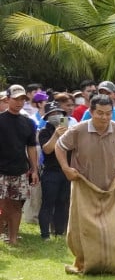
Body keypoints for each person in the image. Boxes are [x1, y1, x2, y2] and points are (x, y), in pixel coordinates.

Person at [55, 94, 115, 275]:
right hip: (84, 185)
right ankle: (83, 264)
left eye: (108, 113)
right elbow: (60, 146)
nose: (104, 117)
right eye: (100, 113)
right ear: (91, 112)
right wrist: (66, 168)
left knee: (114, 228)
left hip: (111, 186)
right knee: (83, 229)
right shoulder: (78, 130)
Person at [0, 85, 39, 246]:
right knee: (2, 204)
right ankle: (3, 233)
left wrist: (34, 169)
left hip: (20, 169)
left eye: (22, 99)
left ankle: (13, 238)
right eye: (16, 99)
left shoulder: (29, 123)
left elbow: (31, 147)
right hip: (1, 170)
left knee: (16, 205)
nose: (19, 102)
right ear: (7, 99)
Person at [37, 102, 71, 240]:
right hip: (51, 172)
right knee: (47, 203)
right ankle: (45, 234)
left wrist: (66, 133)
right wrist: (56, 134)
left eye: (58, 113)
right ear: (47, 117)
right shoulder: (44, 132)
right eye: (52, 114)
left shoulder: (69, 131)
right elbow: (47, 149)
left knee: (62, 203)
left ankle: (59, 232)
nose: (56, 116)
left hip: (65, 171)